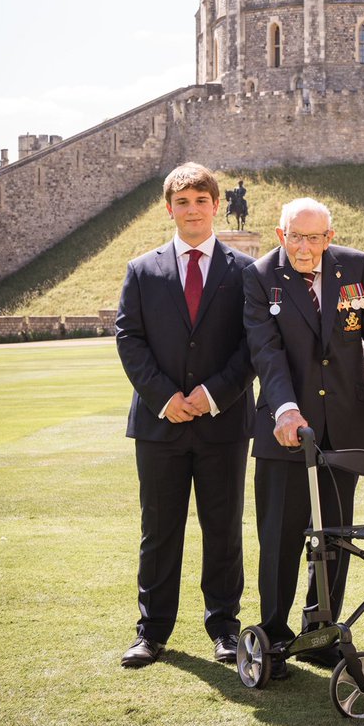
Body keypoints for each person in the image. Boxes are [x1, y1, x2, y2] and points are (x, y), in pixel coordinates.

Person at [243, 196, 364, 677]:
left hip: (345, 428)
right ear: (280, 234)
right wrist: (286, 411)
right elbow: (267, 353)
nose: (305, 248)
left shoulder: (355, 267)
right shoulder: (260, 276)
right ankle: (275, 636)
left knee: (335, 537)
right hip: (288, 433)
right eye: (295, 237)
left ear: (329, 237)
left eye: (315, 238)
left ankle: (320, 631)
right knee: (282, 537)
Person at [116, 162, 255, 668]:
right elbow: (129, 338)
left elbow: (252, 344)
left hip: (223, 422)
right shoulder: (142, 269)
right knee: (159, 528)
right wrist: (165, 398)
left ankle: (224, 628)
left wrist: (212, 394)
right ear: (169, 208)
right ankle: (151, 632)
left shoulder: (243, 271)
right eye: (182, 202)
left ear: (216, 205)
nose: (192, 210)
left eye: (201, 200)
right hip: (159, 424)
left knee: (223, 528)